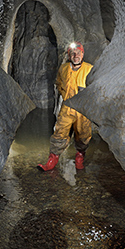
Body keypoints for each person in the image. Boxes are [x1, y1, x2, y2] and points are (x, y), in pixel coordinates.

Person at [38, 42, 93, 171]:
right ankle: (52, 160)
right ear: (69, 55)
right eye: (73, 53)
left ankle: (80, 157)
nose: (76, 55)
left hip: (83, 109)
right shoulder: (63, 68)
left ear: (82, 54)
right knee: (59, 132)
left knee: (83, 134)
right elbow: (58, 83)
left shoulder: (89, 69)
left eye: (78, 53)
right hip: (67, 107)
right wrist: (65, 94)